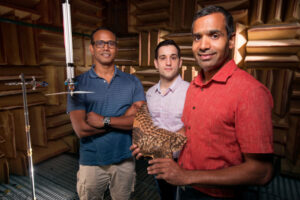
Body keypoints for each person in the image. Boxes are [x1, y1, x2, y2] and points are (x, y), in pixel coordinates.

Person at [131, 6, 274, 200]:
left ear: (231, 41)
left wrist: (186, 176)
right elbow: (190, 131)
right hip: (187, 189)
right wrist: (158, 143)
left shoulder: (250, 92)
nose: (203, 45)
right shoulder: (195, 86)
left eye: (214, 35)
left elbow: (262, 171)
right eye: (197, 37)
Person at [67, 27, 146, 200]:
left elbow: (140, 121)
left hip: (125, 160)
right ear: (92, 48)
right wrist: (124, 119)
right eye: (100, 43)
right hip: (91, 163)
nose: (106, 47)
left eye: (111, 43)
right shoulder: (78, 84)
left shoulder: (132, 81)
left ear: (116, 48)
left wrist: (104, 120)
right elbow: (81, 130)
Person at [146, 40, 189, 200]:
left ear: (180, 62)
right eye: (163, 58)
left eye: (173, 57)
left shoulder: (191, 91)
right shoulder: (150, 94)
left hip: (185, 161)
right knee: (165, 196)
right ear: (156, 63)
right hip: (158, 160)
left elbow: (196, 128)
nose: (168, 62)